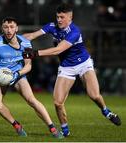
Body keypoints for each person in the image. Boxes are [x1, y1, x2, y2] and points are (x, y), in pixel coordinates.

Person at [23, 3, 121, 137]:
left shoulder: (74, 31)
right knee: (58, 103)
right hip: (66, 67)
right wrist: (15, 39)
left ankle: (106, 111)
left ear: (70, 18)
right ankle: (66, 131)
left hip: (83, 64)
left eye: (62, 17)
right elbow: (32, 35)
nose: (59, 20)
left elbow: (59, 49)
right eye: (57, 17)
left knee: (94, 95)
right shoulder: (52, 26)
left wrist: (35, 53)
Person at [0, 17, 63, 138]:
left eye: (11, 27)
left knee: (32, 100)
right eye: (6, 27)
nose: (9, 30)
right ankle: (16, 125)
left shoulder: (25, 43)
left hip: (17, 75)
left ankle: (52, 128)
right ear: (2, 28)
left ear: (16, 28)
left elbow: (28, 66)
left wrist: (17, 74)